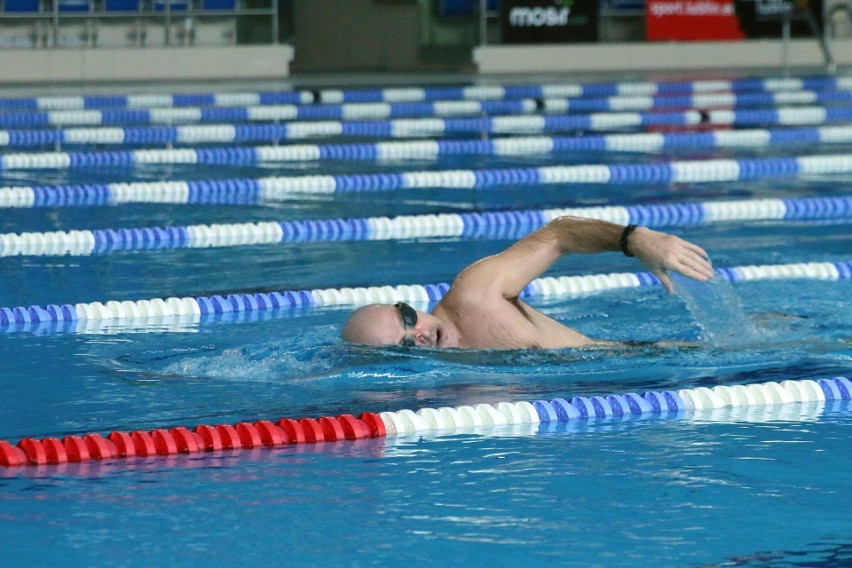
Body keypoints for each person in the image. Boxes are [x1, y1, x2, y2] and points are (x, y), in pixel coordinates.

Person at [341, 216, 714, 350]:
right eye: (405, 347)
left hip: (657, 354)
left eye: (408, 319)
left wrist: (634, 239)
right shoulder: (448, 393)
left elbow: (558, 235)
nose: (418, 333)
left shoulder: (475, 295)